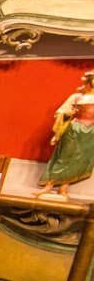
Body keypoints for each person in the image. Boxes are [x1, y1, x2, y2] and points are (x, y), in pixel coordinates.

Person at [36, 70, 94, 199]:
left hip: (91, 133)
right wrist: (68, 113)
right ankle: (49, 185)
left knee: (79, 160)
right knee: (64, 157)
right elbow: (60, 112)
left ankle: (63, 188)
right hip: (74, 129)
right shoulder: (77, 97)